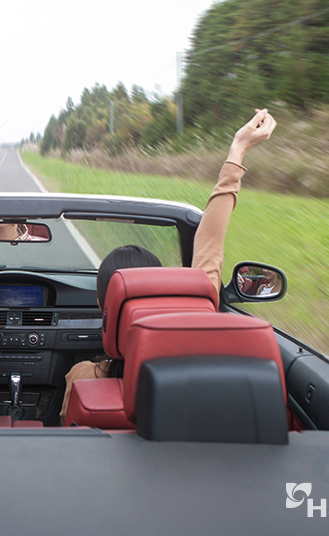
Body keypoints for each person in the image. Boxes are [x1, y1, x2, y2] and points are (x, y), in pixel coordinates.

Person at [59, 108, 277, 424]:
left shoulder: (81, 377)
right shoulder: (199, 371)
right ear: (162, 296)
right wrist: (238, 148)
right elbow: (210, 242)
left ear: (103, 307)